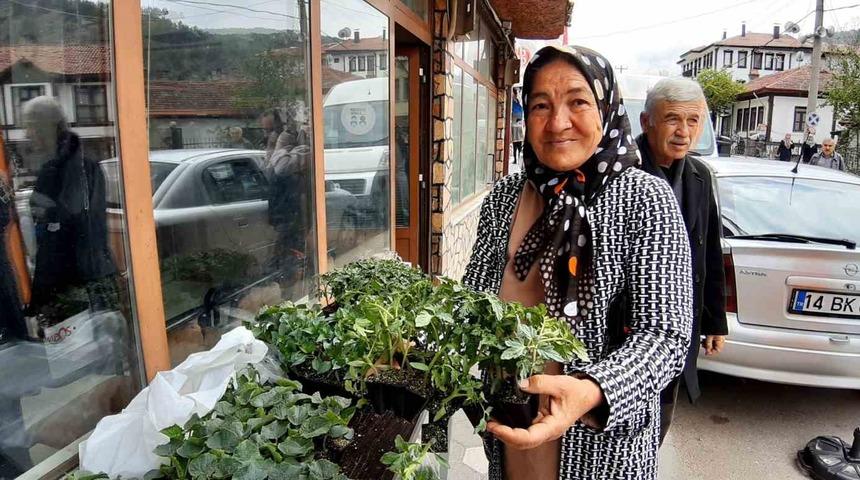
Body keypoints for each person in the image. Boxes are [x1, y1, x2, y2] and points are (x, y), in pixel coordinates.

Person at [463, 45, 692, 480]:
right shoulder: (506, 197)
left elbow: (666, 336)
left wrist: (592, 390)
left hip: (599, 446)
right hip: (512, 428)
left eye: (578, 102)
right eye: (540, 105)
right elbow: (473, 300)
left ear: (605, 108)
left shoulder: (645, 200)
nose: (557, 123)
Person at [635, 77, 728, 445]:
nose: (683, 132)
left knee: (660, 420)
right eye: (673, 119)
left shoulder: (700, 175)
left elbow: (710, 251)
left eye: (693, 121)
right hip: (629, 326)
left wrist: (714, 321)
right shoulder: (621, 169)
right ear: (646, 122)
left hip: (680, 325)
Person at [24, 96, 117, 315]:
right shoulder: (82, 162)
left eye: (30, 126)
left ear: (46, 126)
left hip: (75, 290)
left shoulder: (64, 170)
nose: (27, 134)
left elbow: (59, 237)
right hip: (89, 280)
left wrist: (41, 300)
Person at [511, 92, 525, 164]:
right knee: (518, 147)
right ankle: (517, 160)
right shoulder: (518, 105)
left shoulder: (514, 104)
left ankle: (516, 160)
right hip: (518, 127)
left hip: (516, 127)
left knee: (516, 146)